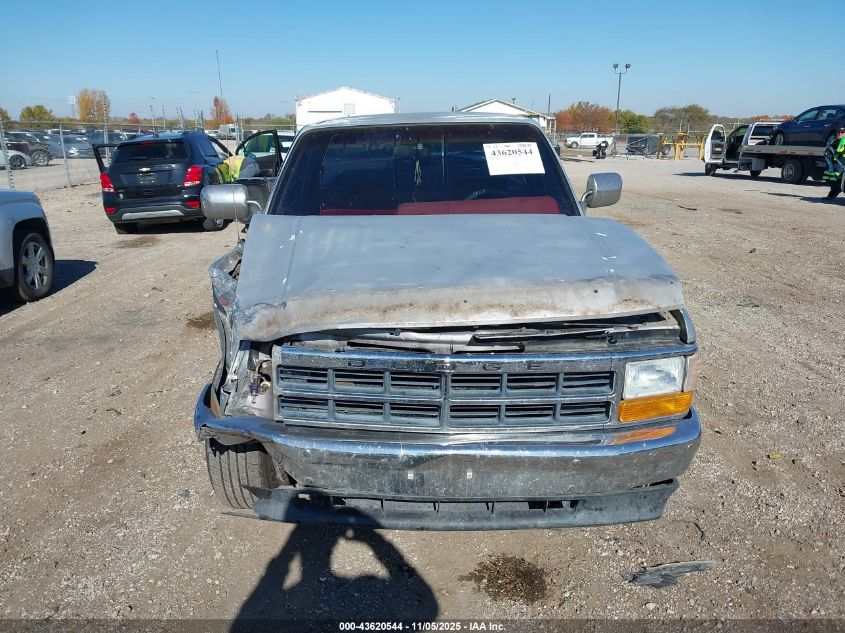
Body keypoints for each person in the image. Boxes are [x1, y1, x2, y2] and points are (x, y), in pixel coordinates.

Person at [822, 127, 845, 198]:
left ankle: (834, 192)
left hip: (842, 161)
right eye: (838, 132)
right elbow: (828, 147)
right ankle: (832, 194)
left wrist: (834, 151)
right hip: (834, 162)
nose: (839, 134)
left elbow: (841, 150)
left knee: (838, 178)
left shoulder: (844, 140)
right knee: (831, 178)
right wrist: (828, 152)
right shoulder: (834, 140)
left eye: (842, 132)